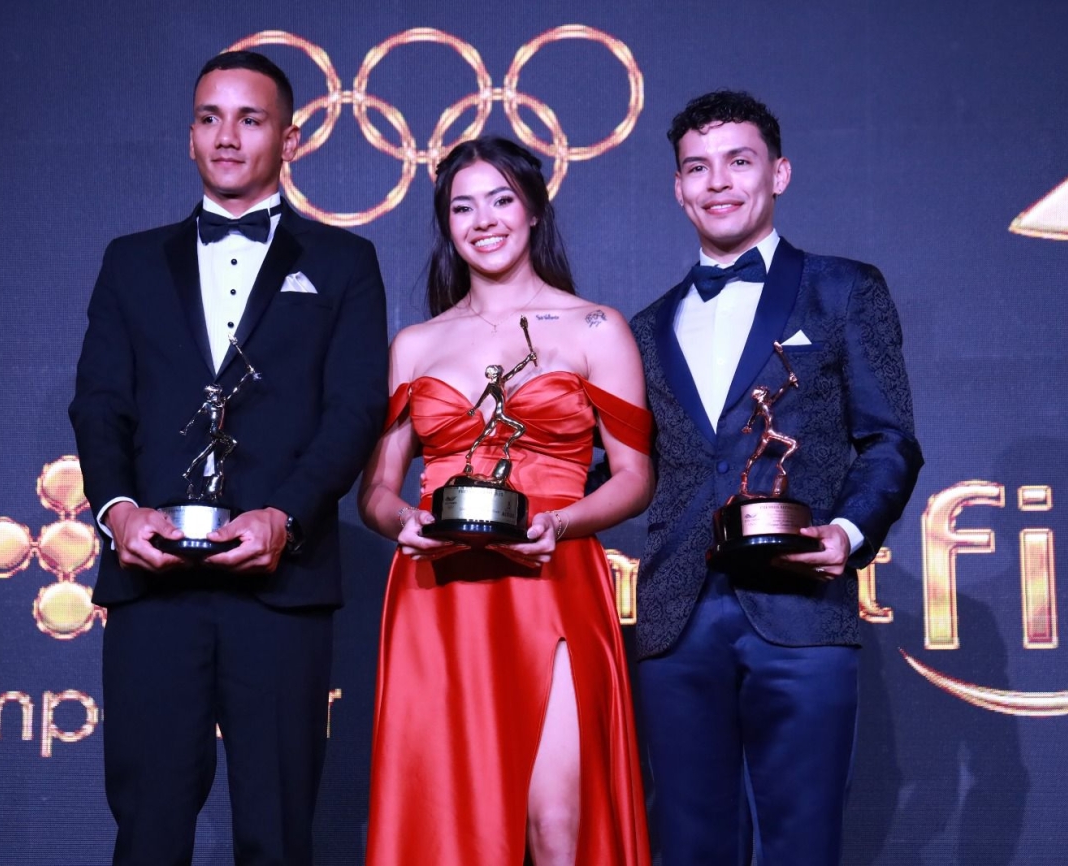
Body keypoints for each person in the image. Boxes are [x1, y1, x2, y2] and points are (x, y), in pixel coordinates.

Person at [68, 50, 388, 865]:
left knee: (277, 832)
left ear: (290, 138)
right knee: (147, 829)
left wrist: (287, 515)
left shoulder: (345, 262)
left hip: (280, 586)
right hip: (152, 583)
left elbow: (354, 410)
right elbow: (100, 403)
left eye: (250, 119)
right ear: (189, 136)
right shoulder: (130, 260)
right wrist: (118, 513)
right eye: (210, 118)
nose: (227, 137)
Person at [630, 91, 923, 866]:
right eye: (698, 167)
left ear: (779, 173)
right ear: (678, 187)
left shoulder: (844, 289)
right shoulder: (644, 327)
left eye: (739, 161)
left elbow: (889, 440)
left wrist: (849, 533)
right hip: (675, 618)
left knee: (800, 844)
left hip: (801, 608)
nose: (718, 182)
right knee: (688, 846)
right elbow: (617, 463)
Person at [358, 136, 654, 866]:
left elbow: (633, 477)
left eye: (501, 200)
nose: (483, 220)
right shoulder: (416, 343)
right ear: (446, 223)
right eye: (463, 207)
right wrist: (405, 522)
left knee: (557, 825)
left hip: (551, 577)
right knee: (448, 827)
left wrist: (561, 521)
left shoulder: (595, 326)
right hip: (438, 592)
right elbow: (377, 492)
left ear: (534, 211)